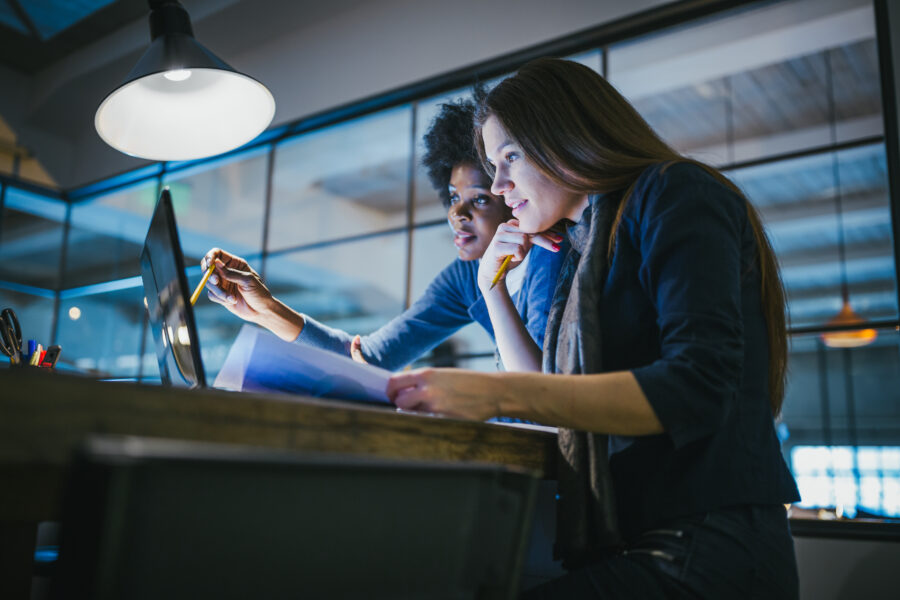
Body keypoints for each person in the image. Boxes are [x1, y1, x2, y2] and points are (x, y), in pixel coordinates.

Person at [385, 58, 801, 599]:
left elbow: (697, 384)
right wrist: (492, 290)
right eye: (493, 165)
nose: (499, 184)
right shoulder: (580, 244)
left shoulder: (675, 192)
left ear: (566, 135)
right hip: (643, 537)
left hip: (705, 541)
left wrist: (492, 392)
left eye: (510, 157)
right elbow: (549, 397)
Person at [202, 97, 565, 371]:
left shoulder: (551, 255)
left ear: (510, 194)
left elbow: (540, 390)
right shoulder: (466, 277)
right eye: (453, 198)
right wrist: (263, 308)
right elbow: (369, 358)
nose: (457, 214)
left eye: (480, 200)